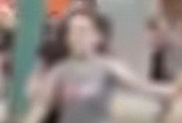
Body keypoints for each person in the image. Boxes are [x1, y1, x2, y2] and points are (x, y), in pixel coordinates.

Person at [24, 10, 172, 123]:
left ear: (95, 37)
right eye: (73, 31)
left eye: (83, 30)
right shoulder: (60, 71)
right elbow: (40, 108)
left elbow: (143, 87)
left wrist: (177, 91)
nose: (77, 36)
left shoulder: (107, 66)